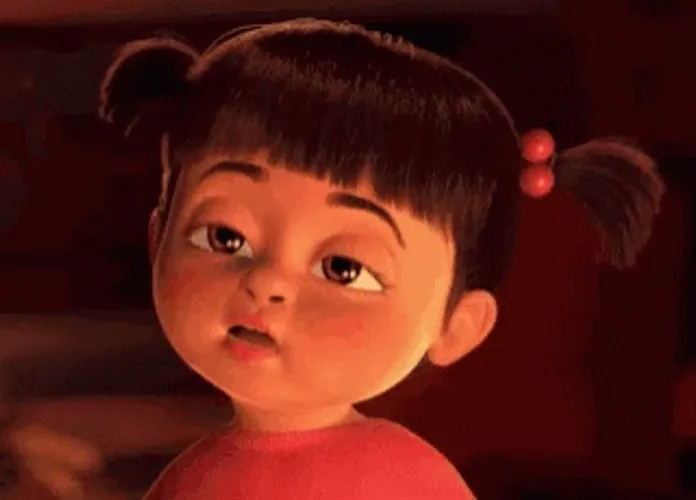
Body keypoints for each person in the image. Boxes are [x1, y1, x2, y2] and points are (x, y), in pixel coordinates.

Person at [98, 18, 664, 499]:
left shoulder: (406, 482)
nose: (267, 281)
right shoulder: (190, 477)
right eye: (224, 237)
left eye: (343, 268)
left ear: (457, 325)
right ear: (158, 240)